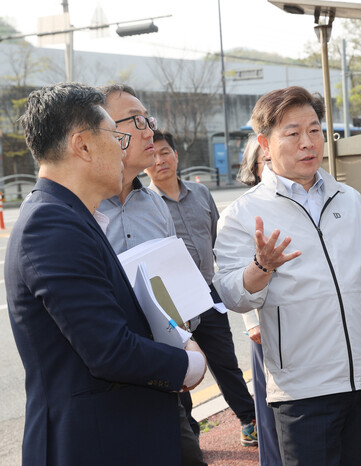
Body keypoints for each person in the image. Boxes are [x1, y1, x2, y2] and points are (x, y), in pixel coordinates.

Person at [213, 86, 361, 465]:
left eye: (314, 130)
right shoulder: (243, 214)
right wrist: (261, 267)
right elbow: (232, 295)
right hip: (302, 385)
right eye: (293, 133)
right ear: (265, 144)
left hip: (358, 373)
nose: (308, 142)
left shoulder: (347, 198)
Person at [7, 82, 205, 465]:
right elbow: (110, 350)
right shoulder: (52, 224)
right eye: (116, 136)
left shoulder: (71, 216)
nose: (122, 148)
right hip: (94, 444)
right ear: (82, 146)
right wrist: (189, 364)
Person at [97, 84, 206, 465]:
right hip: (109, 381)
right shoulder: (79, 210)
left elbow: (172, 285)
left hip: (162, 369)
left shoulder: (155, 204)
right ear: (101, 129)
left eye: (149, 120)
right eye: (137, 121)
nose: (150, 131)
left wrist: (184, 334)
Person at [145, 130, 258, 447]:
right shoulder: (146, 205)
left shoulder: (201, 193)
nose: (160, 160)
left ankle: (249, 420)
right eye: (152, 155)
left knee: (225, 363)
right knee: (181, 370)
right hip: (170, 303)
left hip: (208, 294)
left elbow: (218, 242)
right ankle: (189, 437)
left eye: (165, 152)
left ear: (176, 155)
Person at [237, 134, 283, 466]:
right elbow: (236, 274)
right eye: (265, 161)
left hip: (297, 318)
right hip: (263, 323)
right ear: (254, 167)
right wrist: (252, 322)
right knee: (269, 405)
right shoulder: (245, 209)